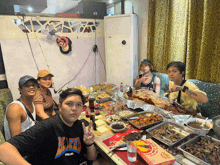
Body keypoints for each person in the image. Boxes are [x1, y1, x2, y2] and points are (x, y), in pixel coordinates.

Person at [0, 88, 97, 165]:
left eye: (79, 105)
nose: (74, 109)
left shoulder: (79, 126)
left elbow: (91, 158)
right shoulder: (47, 126)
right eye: (69, 104)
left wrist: (89, 144)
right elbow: (3, 150)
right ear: (60, 107)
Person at [4, 75, 37, 141]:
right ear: (20, 90)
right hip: (20, 147)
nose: (31, 87)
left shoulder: (32, 103)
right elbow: (16, 140)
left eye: (33, 85)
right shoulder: (15, 108)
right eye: (27, 86)